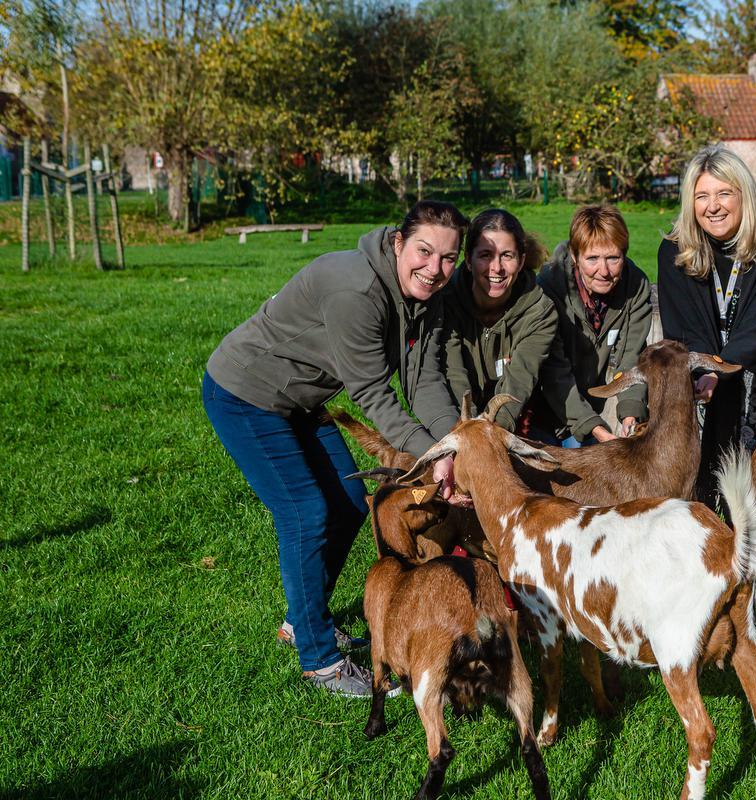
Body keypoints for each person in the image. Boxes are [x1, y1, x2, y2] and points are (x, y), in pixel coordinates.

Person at [202, 200, 469, 697]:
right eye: (424, 252)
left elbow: (424, 379)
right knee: (304, 511)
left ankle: (302, 622)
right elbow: (371, 393)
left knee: (348, 505)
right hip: (246, 395)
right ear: (397, 242)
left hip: (301, 400)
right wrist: (433, 458)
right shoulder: (357, 289)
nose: (434, 270)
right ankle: (321, 660)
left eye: (448, 258)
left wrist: (453, 442)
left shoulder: (425, 296)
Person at [657, 144, 756, 507]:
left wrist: (722, 372)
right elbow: (683, 324)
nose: (713, 206)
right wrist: (708, 371)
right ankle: (711, 519)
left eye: (725, 193)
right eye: (702, 196)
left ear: (745, 196)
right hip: (705, 365)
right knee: (707, 466)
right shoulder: (675, 250)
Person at [532, 205, 653, 445]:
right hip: (541, 409)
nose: (604, 271)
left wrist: (631, 412)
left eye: (613, 258)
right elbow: (555, 372)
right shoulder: (549, 289)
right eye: (592, 259)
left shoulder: (635, 286)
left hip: (590, 408)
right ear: (575, 256)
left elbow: (631, 357)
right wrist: (594, 428)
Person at [441, 209, 557, 432]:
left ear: (521, 261)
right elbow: (454, 375)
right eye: (485, 255)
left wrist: (492, 435)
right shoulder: (446, 302)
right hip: (455, 420)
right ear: (468, 259)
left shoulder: (539, 312)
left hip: (514, 421)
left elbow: (519, 382)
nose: (497, 268)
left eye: (507, 255)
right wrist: (471, 431)